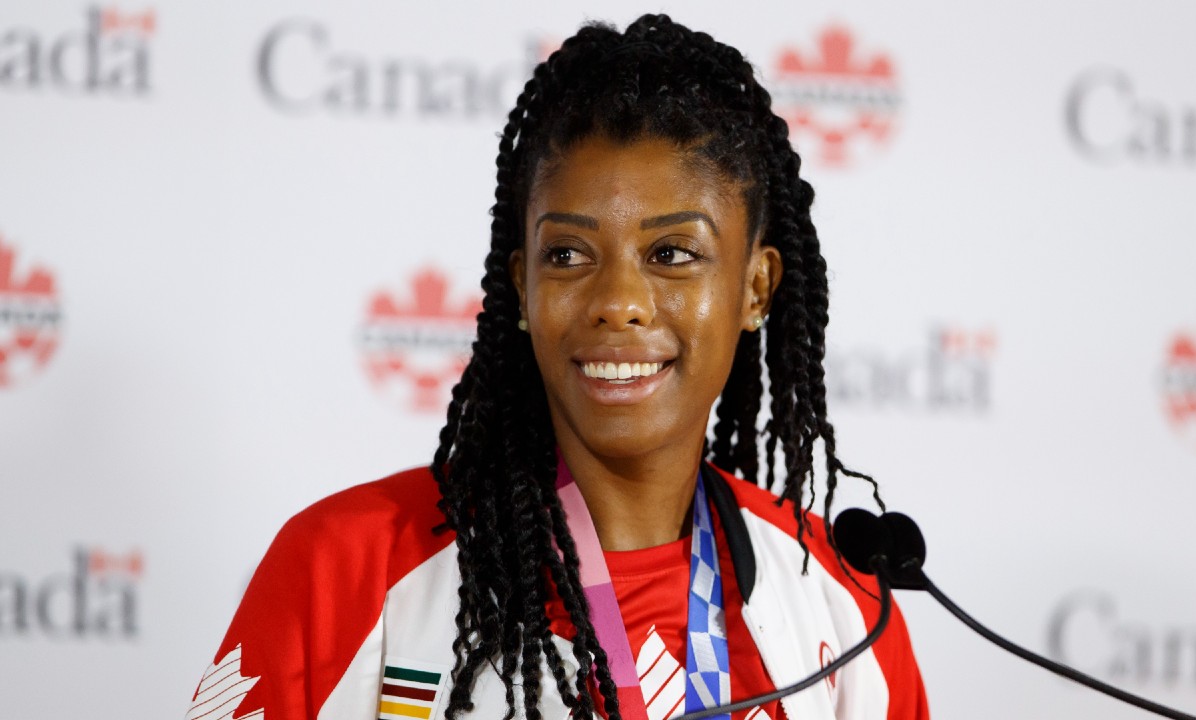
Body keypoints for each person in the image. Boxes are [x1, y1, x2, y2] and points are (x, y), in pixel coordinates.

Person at [186, 14, 928, 720]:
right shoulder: (343, 570)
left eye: (672, 254)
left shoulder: (847, 607)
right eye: (568, 255)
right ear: (521, 286)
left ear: (757, 287)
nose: (618, 303)